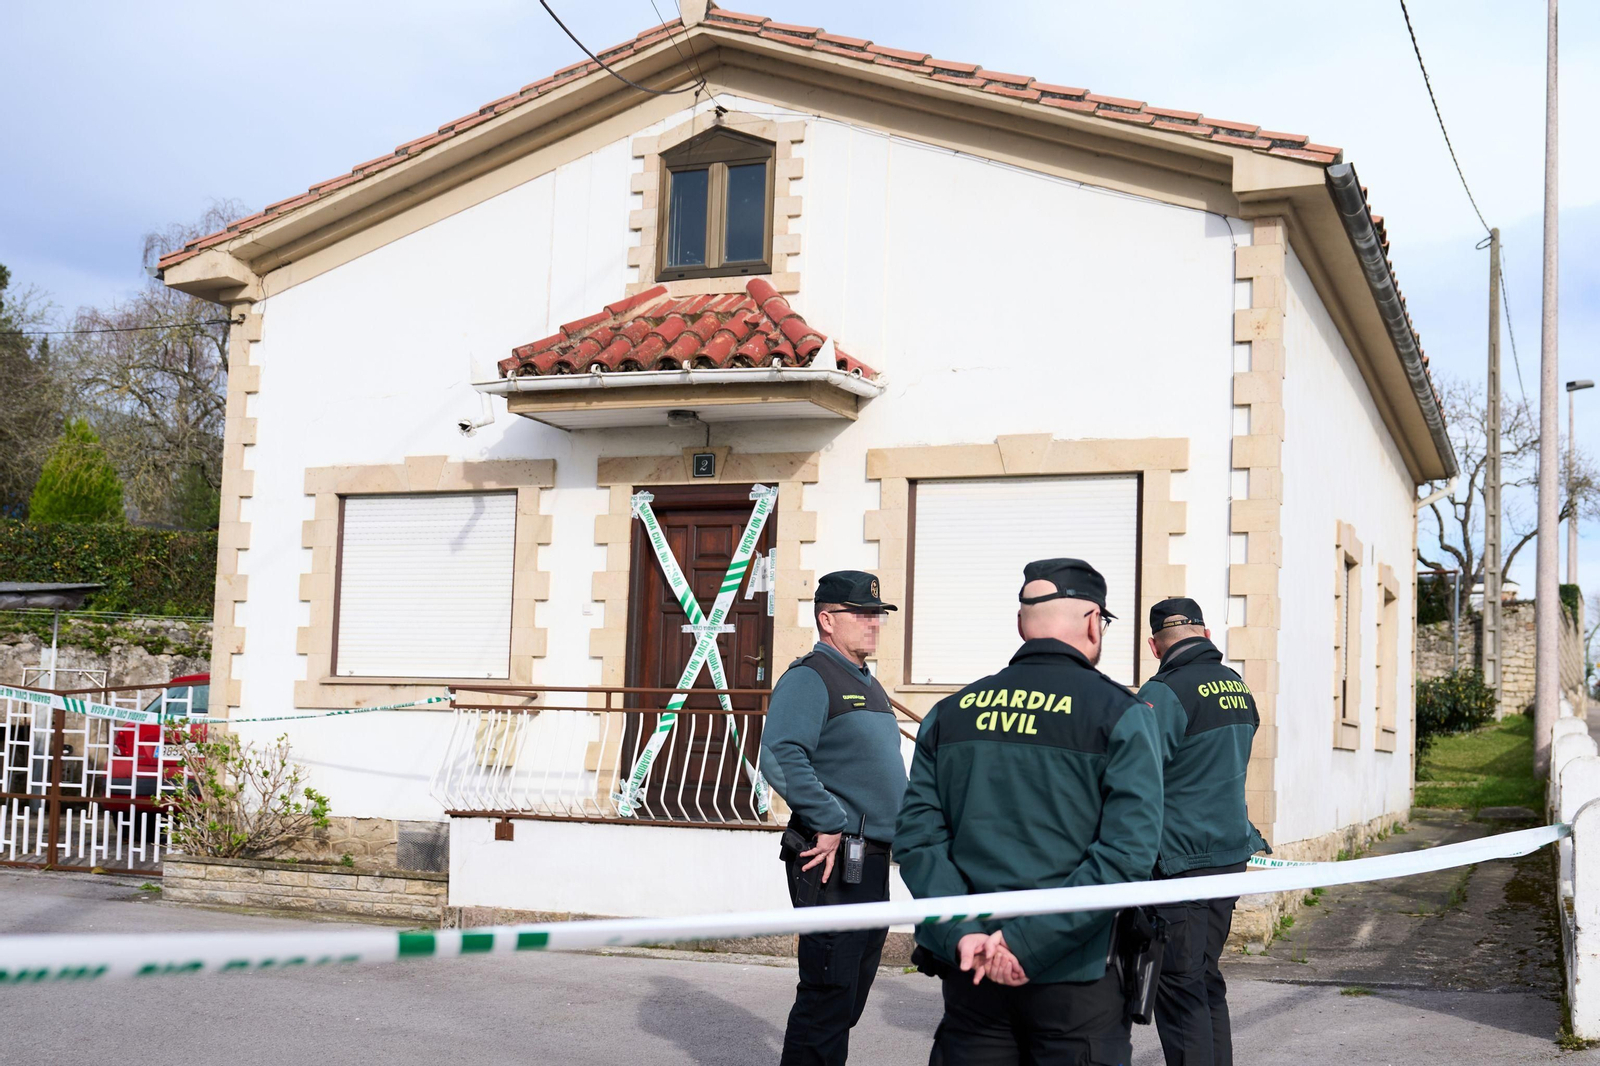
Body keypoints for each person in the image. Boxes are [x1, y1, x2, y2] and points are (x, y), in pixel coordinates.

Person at [895, 558, 1163, 1065]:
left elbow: (918, 840)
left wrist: (964, 932)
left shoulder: (951, 713)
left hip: (970, 969)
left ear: (1022, 625)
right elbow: (1127, 856)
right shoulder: (1120, 716)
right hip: (1076, 975)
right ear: (1092, 622)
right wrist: (1024, 944)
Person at [761, 570, 908, 1066]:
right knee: (828, 990)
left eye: (877, 614)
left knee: (850, 992)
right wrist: (827, 818)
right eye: (861, 614)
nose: (874, 623)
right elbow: (780, 755)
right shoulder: (812, 676)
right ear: (827, 619)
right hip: (831, 856)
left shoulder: (867, 682)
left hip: (869, 858)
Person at [1137, 598, 1268, 1066]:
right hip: (1229, 855)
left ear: (1155, 646)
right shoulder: (1237, 685)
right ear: (1206, 634)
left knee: (1180, 985)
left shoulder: (1163, 693)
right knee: (1206, 977)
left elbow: (1132, 771)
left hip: (1181, 861)